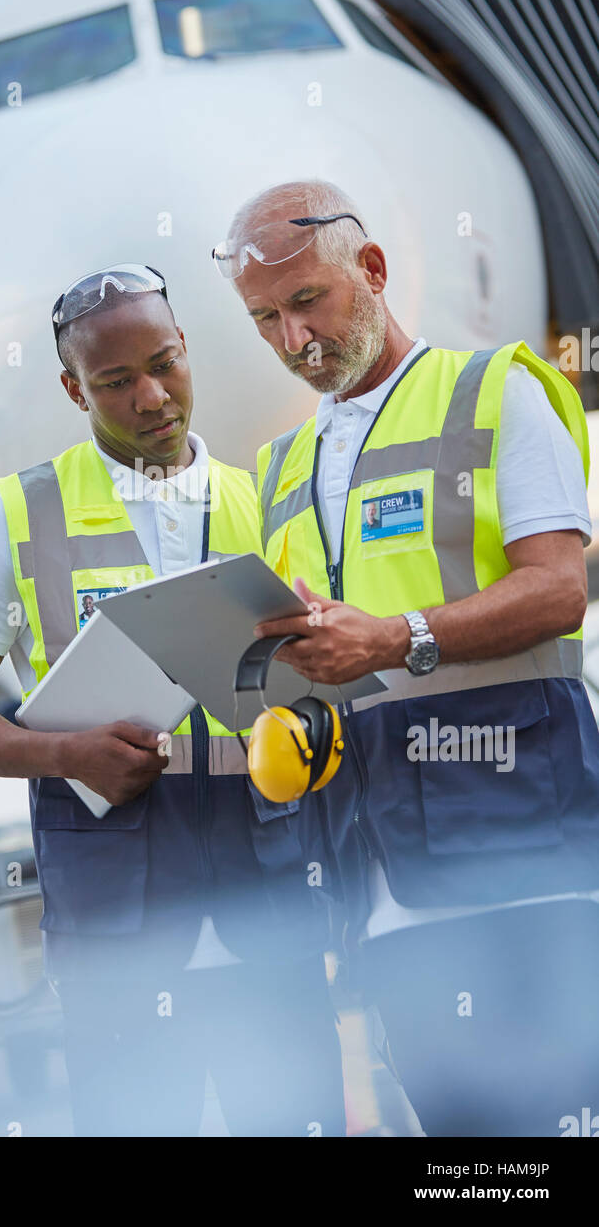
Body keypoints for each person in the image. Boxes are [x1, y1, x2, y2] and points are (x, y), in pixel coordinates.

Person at [0, 262, 345, 1137]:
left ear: (187, 349)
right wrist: (61, 755)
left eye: (165, 364)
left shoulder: (258, 498)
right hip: (118, 921)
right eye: (116, 382)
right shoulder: (16, 517)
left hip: (266, 900)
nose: (152, 397)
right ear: (74, 390)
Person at [213, 178, 599, 1137]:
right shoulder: (281, 470)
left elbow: (561, 586)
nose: (294, 341)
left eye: (309, 302)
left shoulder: (495, 390)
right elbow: (327, 661)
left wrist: (396, 639)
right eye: (266, 320)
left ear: (373, 271)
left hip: (528, 858)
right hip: (379, 880)